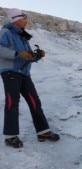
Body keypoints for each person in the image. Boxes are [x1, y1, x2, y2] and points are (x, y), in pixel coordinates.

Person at [0, 8, 60, 148]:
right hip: (10, 72)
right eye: (24, 18)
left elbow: (27, 57)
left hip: (24, 73)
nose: (26, 20)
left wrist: (37, 55)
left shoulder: (22, 36)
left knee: (34, 101)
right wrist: (17, 54)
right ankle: (10, 136)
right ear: (16, 19)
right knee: (12, 102)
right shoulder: (5, 32)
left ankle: (43, 131)